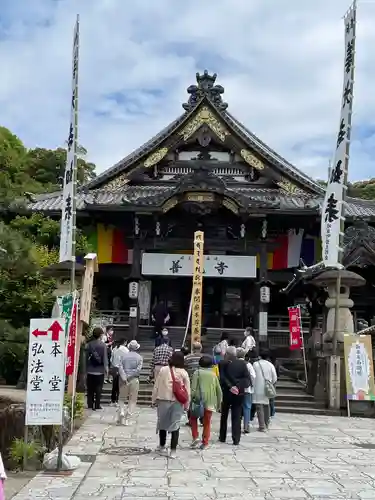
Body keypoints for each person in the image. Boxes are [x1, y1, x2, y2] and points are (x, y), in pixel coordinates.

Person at [152, 351, 190, 458]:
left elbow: (157, 385)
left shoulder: (164, 370)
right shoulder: (184, 373)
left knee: (162, 423)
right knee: (175, 425)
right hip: (177, 402)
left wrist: (153, 399)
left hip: (163, 399)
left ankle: (162, 445)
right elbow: (187, 390)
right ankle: (173, 451)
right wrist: (187, 404)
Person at [218, 346, 251, 445]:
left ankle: (222, 436)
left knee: (224, 414)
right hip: (239, 393)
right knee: (237, 415)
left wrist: (231, 386)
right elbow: (247, 379)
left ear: (227, 354)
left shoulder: (222, 363)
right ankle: (236, 438)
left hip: (227, 392)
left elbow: (222, 378)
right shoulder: (242, 364)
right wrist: (238, 386)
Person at [190, 355, 222, 449]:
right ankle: (205, 442)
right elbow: (218, 390)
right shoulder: (213, 374)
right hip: (210, 401)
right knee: (207, 422)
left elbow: (193, 388)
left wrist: (190, 399)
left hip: (197, 400)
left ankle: (195, 436)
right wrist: (219, 403)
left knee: (193, 419)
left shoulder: (197, 373)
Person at [117, 340, 143, 425]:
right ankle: (128, 418)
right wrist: (130, 376)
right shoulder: (139, 357)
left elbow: (120, 367)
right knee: (132, 400)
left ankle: (121, 411)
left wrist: (124, 377)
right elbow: (138, 370)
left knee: (121, 398)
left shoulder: (124, 356)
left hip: (123, 379)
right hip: (134, 379)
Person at [253, 350, 278, 432]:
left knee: (259, 406)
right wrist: (270, 384)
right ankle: (267, 424)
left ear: (259, 356)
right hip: (267, 388)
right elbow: (275, 378)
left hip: (257, 388)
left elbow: (252, 376)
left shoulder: (255, 364)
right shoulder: (270, 365)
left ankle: (262, 426)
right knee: (266, 405)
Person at [86, 327, 108, 410]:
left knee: (90, 389)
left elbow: (86, 358)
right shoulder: (103, 345)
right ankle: (97, 404)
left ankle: (90, 404)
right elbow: (105, 358)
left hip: (90, 370)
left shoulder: (89, 344)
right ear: (100, 335)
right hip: (100, 370)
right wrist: (106, 369)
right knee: (98, 388)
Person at [236, 347, 256, 433]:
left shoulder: (233, 363)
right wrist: (252, 385)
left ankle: (236, 425)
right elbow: (253, 376)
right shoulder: (248, 365)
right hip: (247, 389)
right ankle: (246, 426)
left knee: (237, 407)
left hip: (236, 389)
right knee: (247, 407)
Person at [110, 339, 129, 406]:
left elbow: (111, 359)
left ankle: (113, 401)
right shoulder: (125, 350)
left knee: (114, 385)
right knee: (121, 385)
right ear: (125, 342)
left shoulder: (114, 348)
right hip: (122, 368)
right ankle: (120, 401)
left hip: (114, 368)